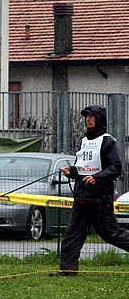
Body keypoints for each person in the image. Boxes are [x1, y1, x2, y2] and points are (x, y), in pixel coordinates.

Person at [50, 105, 129, 276]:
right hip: (81, 198)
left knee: (113, 235)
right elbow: (83, 168)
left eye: (92, 116)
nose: (88, 119)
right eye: (86, 116)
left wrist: (97, 177)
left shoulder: (108, 141)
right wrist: (71, 171)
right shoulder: (84, 141)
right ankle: (68, 270)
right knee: (72, 235)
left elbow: (116, 167)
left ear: (99, 118)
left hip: (100, 200)